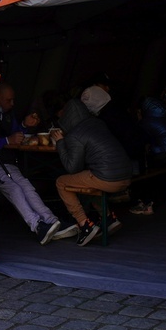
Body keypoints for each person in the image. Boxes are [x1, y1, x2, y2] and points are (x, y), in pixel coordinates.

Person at [0, 82, 77, 244]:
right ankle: (37, 226)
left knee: (26, 185)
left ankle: (52, 222)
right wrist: (5, 140)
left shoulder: (7, 114)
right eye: (9, 100)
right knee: (14, 188)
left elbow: (15, 135)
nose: (12, 104)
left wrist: (25, 125)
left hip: (7, 162)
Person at [52, 99, 132, 246]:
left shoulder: (75, 134)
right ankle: (108, 218)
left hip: (108, 179)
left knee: (62, 182)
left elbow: (72, 167)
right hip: (126, 175)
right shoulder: (98, 123)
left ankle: (85, 225)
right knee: (83, 180)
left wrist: (60, 142)